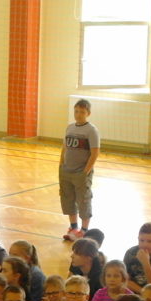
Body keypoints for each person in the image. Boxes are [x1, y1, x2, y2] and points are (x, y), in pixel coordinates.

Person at [58, 99, 100, 240]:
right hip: (66, 171)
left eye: (82, 112)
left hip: (81, 173)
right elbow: (64, 148)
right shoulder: (69, 128)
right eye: (76, 111)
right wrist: (61, 165)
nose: (78, 114)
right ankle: (73, 227)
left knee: (83, 200)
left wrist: (85, 172)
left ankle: (84, 230)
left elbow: (95, 153)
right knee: (68, 199)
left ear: (88, 113)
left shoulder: (91, 130)